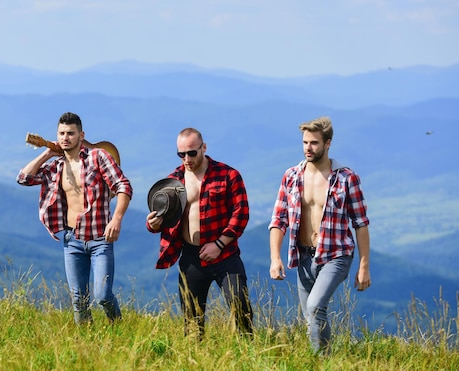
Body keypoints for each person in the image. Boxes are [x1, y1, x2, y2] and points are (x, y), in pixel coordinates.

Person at [17, 112, 133, 324]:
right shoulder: (57, 167)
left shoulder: (97, 157)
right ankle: (86, 344)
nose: (65, 138)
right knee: (79, 301)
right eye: (61, 133)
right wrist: (47, 154)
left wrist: (116, 219)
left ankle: (119, 328)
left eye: (71, 133)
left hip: (100, 239)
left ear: (81, 135)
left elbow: (123, 186)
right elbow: (24, 178)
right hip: (72, 241)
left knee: (102, 296)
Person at [268, 116, 371, 353]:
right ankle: (326, 358)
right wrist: (275, 258)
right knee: (310, 317)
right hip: (303, 256)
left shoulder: (346, 178)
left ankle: (320, 363)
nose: (308, 148)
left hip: (336, 254)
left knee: (314, 308)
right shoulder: (292, 176)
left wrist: (364, 265)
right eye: (305, 142)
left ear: (328, 144)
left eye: (314, 143)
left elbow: (361, 223)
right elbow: (278, 219)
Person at [146, 127, 253, 339]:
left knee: (240, 306)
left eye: (192, 153)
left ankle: (249, 352)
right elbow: (161, 220)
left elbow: (241, 214)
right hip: (191, 257)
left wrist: (219, 244)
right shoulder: (172, 182)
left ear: (204, 148)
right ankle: (196, 359)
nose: (187, 158)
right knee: (192, 321)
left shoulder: (228, 175)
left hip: (225, 254)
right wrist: (154, 224)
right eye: (181, 154)